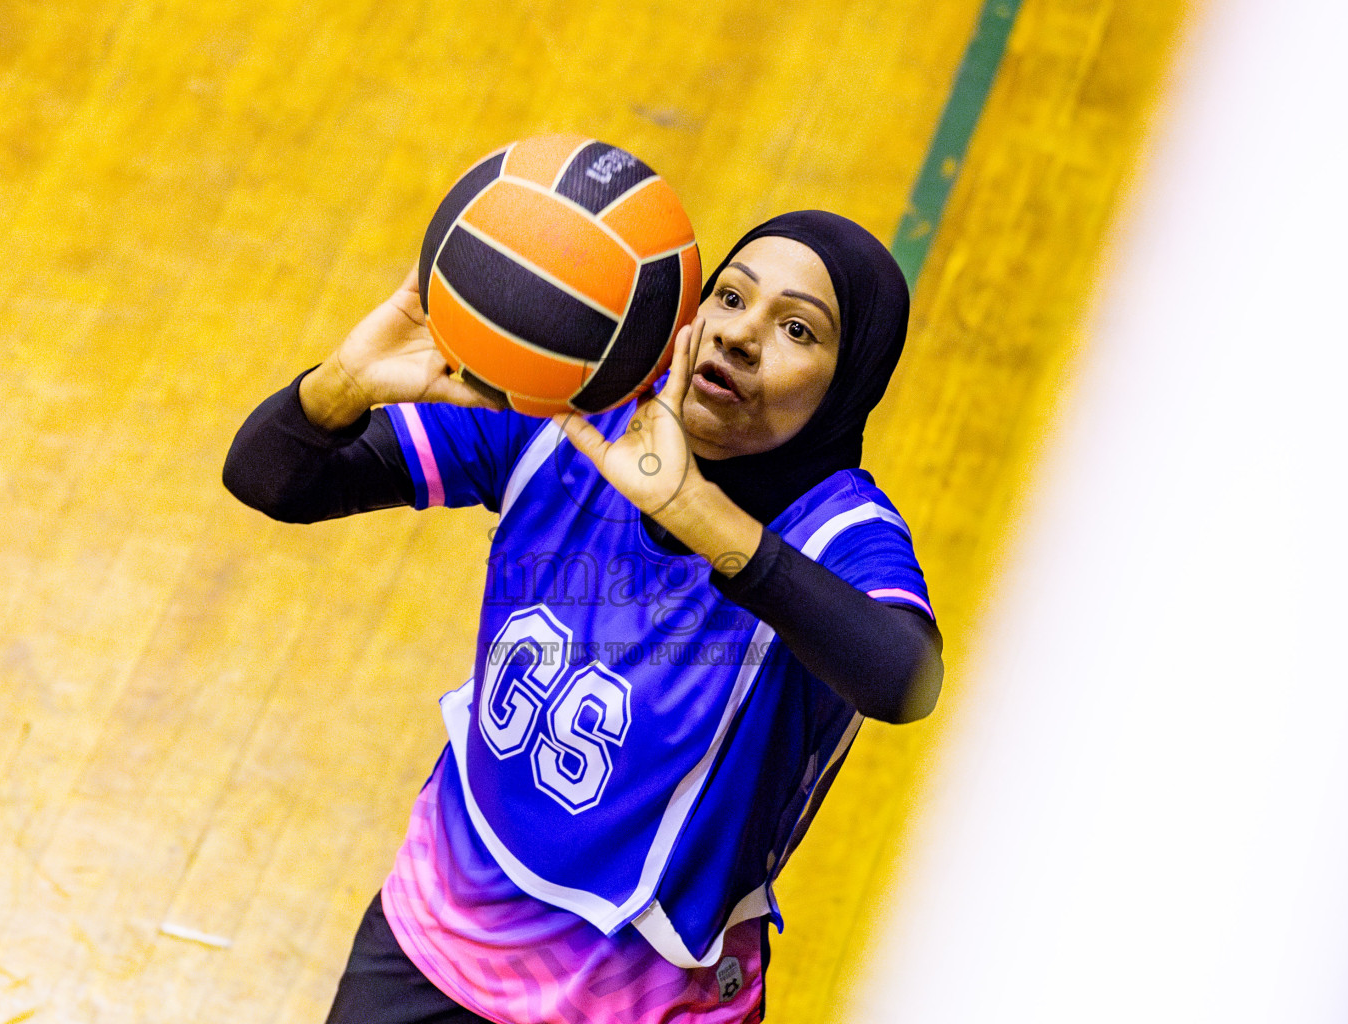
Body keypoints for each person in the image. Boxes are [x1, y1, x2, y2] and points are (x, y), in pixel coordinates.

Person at [224, 210, 944, 1024]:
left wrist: (693, 512)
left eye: (796, 329)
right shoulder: (574, 419)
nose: (740, 335)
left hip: (646, 1003)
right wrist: (342, 386)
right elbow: (268, 477)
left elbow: (905, 678)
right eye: (730, 297)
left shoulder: (840, 531)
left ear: (850, 384)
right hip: (438, 931)